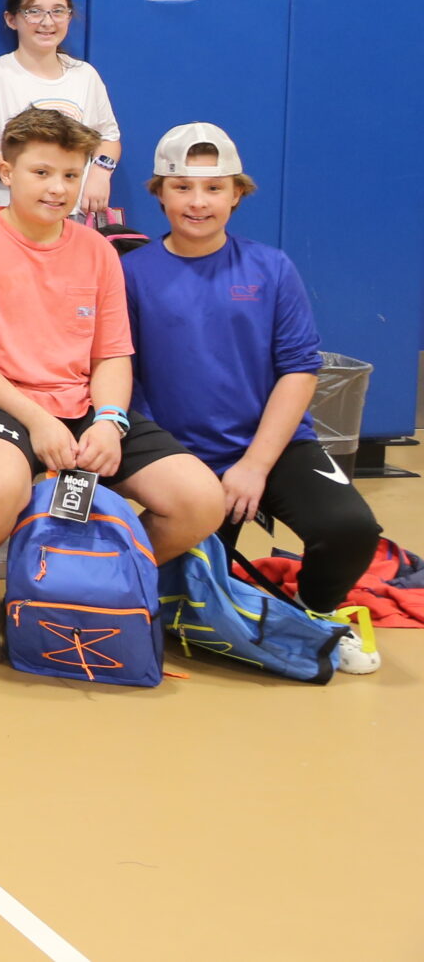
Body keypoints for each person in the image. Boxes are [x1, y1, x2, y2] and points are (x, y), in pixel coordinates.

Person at [0, 108, 225, 668]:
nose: (58, 188)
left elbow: (111, 354)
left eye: (70, 174)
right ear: (8, 172)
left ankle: (86, 577)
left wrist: (111, 420)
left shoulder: (97, 251)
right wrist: (37, 420)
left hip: (85, 407)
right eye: (42, 173)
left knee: (200, 500)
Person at [124, 123, 380, 670]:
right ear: (159, 193)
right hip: (180, 458)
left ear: (238, 193)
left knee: (351, 529)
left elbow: (299, 370)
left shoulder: (271, 268)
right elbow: (118, 373)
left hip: (272, 447)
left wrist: (255, 466)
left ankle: (314, 615)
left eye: (214, 188)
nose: (198, 202)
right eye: (182, 187)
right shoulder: (130, 273)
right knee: (192, 592)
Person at [0, 0, 123, 214]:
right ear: (11, 19)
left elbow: (108, 138)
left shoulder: (85, 75)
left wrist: (100, 174)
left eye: (58, 11)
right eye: (34, 11)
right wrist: (37, 171)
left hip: (74, 211)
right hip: (11, 210)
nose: (47, 22)